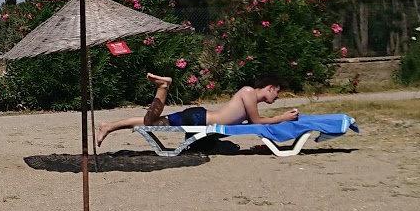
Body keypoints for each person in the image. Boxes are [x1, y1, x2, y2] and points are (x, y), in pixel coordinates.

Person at [96, 73, 298, 147]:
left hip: (198, 118)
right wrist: (282, 117)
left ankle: (109, 126)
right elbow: (256, 122)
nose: (277, 97)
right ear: (269, 87)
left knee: (149, 122)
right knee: (150, 122)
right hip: (198, 119)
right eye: (277, 92)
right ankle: (163, 87)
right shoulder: (248, 92)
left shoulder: (250, 96)